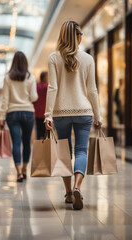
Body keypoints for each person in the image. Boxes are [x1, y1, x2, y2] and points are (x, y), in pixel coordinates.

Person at [44, 21, 102, 210]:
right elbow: (92, 90)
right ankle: (78, 187)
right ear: (77, 37)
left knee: (64, 153)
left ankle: (69, 193)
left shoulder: (54, 58)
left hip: (61, 113)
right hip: (84, 112)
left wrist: (48, 115)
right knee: (81, 151)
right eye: (81, 35)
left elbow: (52, 88)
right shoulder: (88, 59)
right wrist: (98, 115)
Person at [0, 51, 38, 182]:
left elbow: (5, 99)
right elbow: (34, 97)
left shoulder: (7, 77)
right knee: (26, 142)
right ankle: (24, 169)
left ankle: (18, 172)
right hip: (28, 112)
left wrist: (1, 116)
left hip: (12, 113)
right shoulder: (31, 77)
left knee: (16, 142)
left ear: (13, 62)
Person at [34, 71, 48, 139]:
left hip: (37, 111)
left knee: (38, 131)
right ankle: (45, 148)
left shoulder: (36, 86)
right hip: (45, 111)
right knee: (45, 132)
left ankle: (38, 148)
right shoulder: (47, 86)